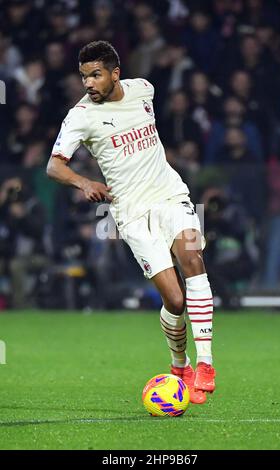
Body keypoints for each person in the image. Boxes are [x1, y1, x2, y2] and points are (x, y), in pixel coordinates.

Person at [46, 40, 216, 404]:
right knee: (174, 298)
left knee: (193, 259)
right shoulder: (80, 116)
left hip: (171, 195)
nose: (88, 83)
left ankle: (205, 364)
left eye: (95, 75)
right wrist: (85, 182)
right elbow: (54, 165)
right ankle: (179, 364)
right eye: (84, 77)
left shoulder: (143, 89)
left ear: (115, 73)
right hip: (131, 214)